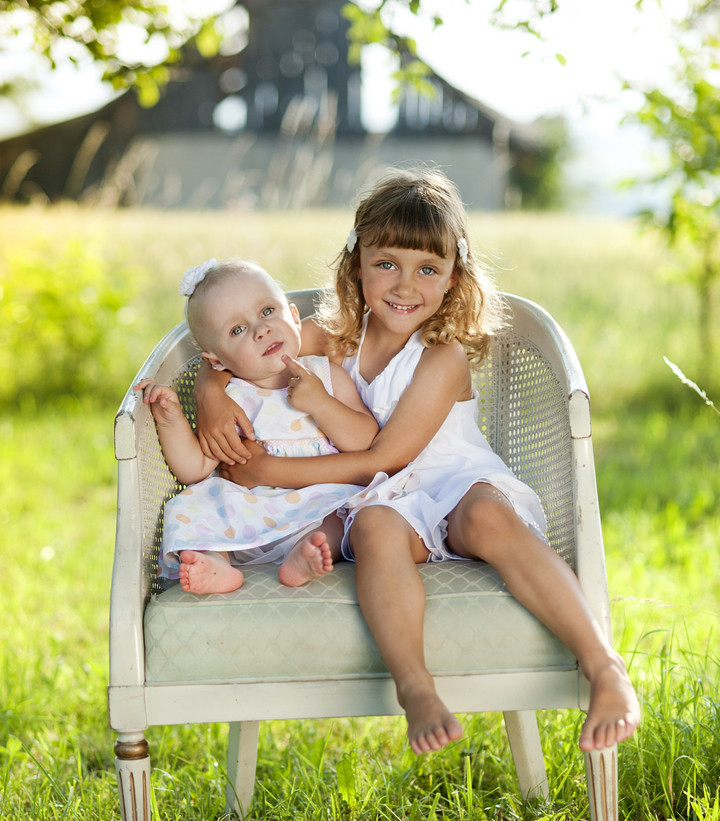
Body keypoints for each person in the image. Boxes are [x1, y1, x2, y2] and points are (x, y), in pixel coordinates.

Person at [194, 169, 641, 757]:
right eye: (387, 264)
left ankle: (603, 666)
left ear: (453, 275)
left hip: (452, 484)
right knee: (377, 527)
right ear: (358, 264)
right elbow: (243, 348)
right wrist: (208, 393)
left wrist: (270, 473)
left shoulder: (441, 356)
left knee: (488, 520)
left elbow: (382, 458)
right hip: (378, 502)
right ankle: (416, 688)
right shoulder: (337, 336)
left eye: (428, 269)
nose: (405, 286)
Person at [135, 258, 378, 594]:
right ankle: (218, 563)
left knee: (345, 513)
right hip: (247, 515)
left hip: (315, 505)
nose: (261, 330)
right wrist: (170, 420)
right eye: (237, 330)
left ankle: (303, 555)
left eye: (267, 312)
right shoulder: (231, 400)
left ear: (294, 317)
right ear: (217, 361)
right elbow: (195, 469)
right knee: (190, 504)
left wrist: (322, 404)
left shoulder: (325, 375)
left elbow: (366, 440)